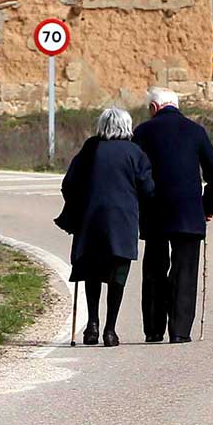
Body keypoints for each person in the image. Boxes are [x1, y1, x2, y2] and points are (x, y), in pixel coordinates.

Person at [55, 108, 154, 347]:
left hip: (91, 220)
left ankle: (92, 325)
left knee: (91, 274)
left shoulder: (90, 149)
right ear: (126, 127)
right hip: (122, 221)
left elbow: (69, 184)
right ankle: (110, 330)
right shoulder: (135, 153)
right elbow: (148, 189)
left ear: (102, 126)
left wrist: (78, 204)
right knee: (117, 275)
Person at [133, 87, 213, 344]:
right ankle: (180, 331)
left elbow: (134, 172)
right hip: (188, 214)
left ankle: (153, 330)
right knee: (185, 272)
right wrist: (207, 207)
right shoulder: (196, 131)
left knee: (154, 270)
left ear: (154, 108)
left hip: (154, 211)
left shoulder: (142, 132)